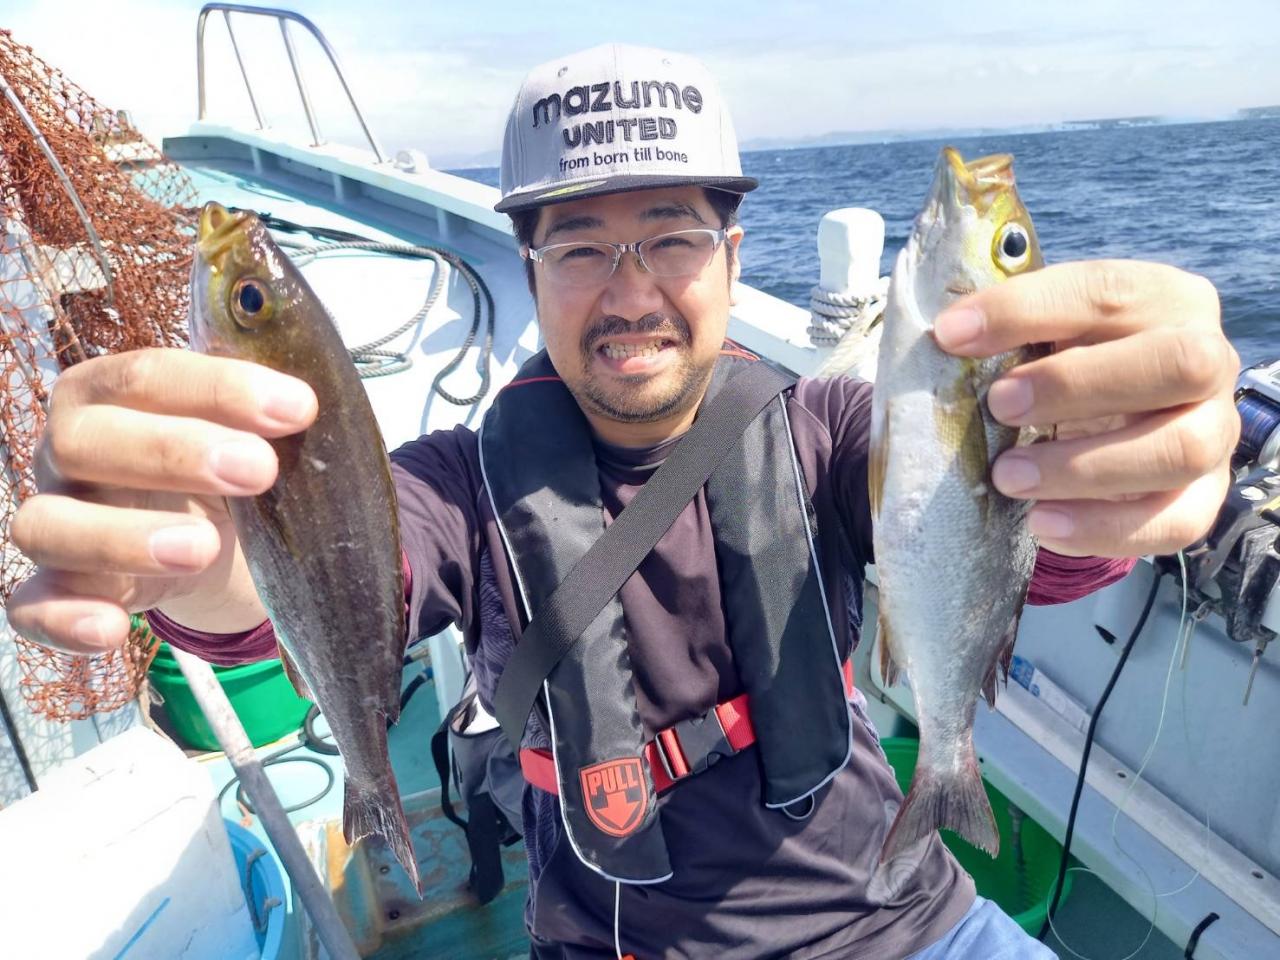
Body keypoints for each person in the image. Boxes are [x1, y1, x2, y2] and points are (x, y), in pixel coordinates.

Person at [10, 43, 1239, 960]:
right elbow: (290, 588)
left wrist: (1101, 471)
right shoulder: (456, 484)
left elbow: (1001, 526)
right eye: (580, 246)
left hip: (905, 923)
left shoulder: (828, 429)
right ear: (530, 270)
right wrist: (193, 563)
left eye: (670, 235)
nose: (631, 290)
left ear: (732, 259)